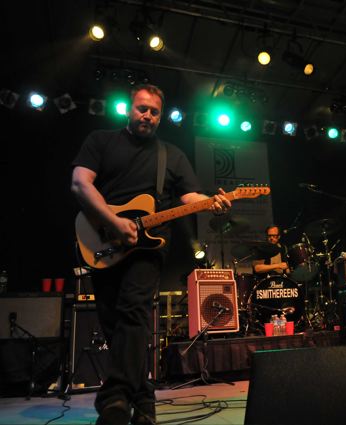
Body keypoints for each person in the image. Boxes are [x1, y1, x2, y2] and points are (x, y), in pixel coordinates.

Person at [70, 84, 232, 425]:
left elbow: (190, 196)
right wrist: (113, 222)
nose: (147, 115)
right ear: (128, 109)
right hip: (103, 241)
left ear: (161, 116)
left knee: (133, 314)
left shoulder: (170, 155)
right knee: (116, 323)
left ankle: (114, 400)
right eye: (142, 108)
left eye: (154, 111)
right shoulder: (101, 141)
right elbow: (80, 183)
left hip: (149, 248)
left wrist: (212, 204)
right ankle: (144, 400)